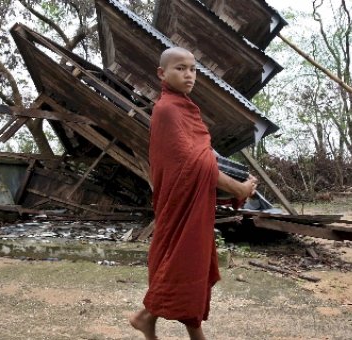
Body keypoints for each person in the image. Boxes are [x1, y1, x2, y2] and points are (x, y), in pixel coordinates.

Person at [129, 47, 258, 340]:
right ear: (162, 73)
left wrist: (237, 183)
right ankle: (144, 316)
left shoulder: (184, 107)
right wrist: (238, 188)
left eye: (193, 69)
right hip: (179, 204)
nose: (189, 75)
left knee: (190, 266)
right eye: (180, 68)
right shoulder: (167, 110)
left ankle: (152, 322)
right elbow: (196, 163)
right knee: (182, 265)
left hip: (190, 202)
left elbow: (201, 160)